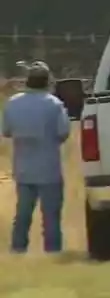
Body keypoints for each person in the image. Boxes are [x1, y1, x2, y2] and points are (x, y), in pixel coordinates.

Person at [2, 61, 70, 254]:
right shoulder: (54, 104)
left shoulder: (13, 103)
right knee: (51, 217)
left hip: (23, 168)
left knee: (22, 215)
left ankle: (18, 249)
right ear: (47, 81)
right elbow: (63, 132)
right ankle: (53, 252)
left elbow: (6, 131)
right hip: (49, 168)